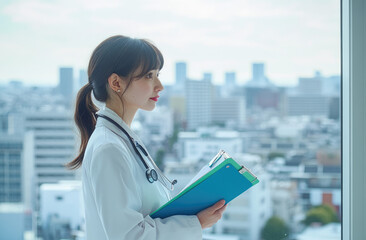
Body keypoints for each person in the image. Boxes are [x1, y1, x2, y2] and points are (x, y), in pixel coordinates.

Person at [67, 35, 227, 240]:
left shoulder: (122, 139)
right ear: (116, 83)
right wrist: (195, 224)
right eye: (149, 76)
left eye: (157, 74)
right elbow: (128, 236)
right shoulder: (109, 149)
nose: (159, 85)